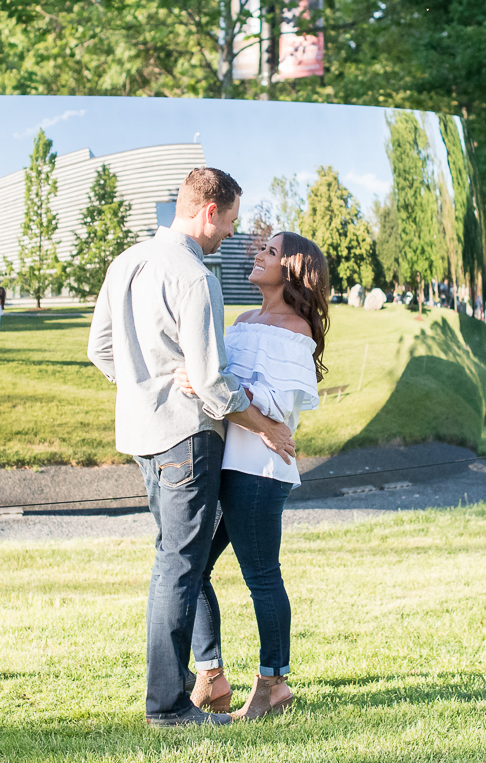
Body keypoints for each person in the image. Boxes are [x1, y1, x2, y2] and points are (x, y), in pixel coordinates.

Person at [88, 167, 296, 727]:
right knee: (180, 567)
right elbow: (211, 382)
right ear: (209, 212)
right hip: (187, 437)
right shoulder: (194, 274)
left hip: (141, 437)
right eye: (229, 223)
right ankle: (168, 706)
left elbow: (99, 348)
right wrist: (263, 425)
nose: (229, 235)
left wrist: (143, 385)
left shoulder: (126, 261)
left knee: (172, 561)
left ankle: (186, 682)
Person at [175, 232, 329, 720]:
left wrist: (215, 384)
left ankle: (273, 684)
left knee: (261, 576)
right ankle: (212, 677)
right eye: (259, 248)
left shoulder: (297, 329)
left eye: (269, 251)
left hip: (261, 472)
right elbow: (218, 381)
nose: (257, 255)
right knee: (192, 568)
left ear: (291, 268)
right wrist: (200, 379)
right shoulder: (241, 322)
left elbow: (278, 404)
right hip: (222, 461)